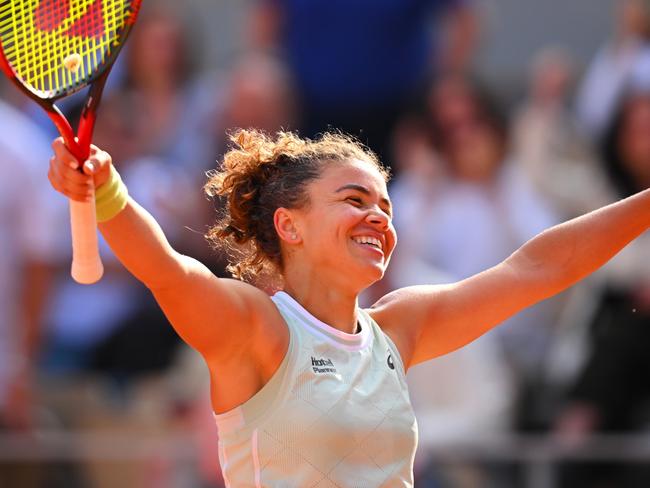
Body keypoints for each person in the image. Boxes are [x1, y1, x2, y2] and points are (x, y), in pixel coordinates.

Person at [47, 127, 650, 486]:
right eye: (354, 199)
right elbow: (166, 270)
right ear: (290, 225)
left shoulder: (401, 327)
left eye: (386, 205)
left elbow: (540, 267)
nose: (378, 218)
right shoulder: (255, 329)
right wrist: (106, 192)